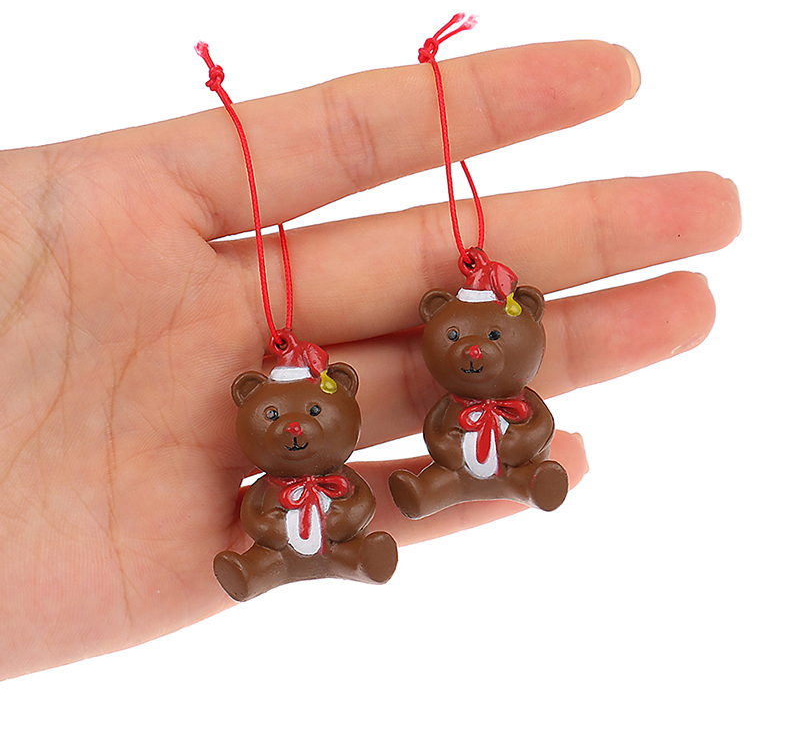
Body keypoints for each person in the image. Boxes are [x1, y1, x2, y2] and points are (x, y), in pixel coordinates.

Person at [0, 39, 739, 680]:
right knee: (357, 515)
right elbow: (306, 498)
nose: (295, 431)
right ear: (246, 397)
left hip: (493, 459)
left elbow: (480, 429)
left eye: (490, 339)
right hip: (283, 543)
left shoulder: (492, 406)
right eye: (279, 415)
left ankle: (508, 481)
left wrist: (513, 440)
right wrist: (288, 515)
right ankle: (310, 553)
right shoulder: (298, 476)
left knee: (446, 476)